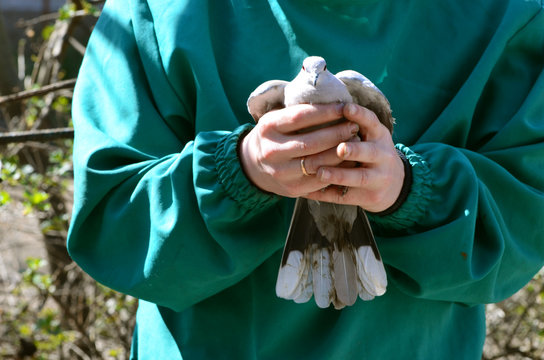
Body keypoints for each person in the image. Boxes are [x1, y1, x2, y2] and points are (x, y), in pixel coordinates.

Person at [67, 0, 544, 359]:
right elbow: (111, 224)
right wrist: (241, 169)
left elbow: (526, 218)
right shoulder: (160, 10)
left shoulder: (507, 12)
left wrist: (406, 188)